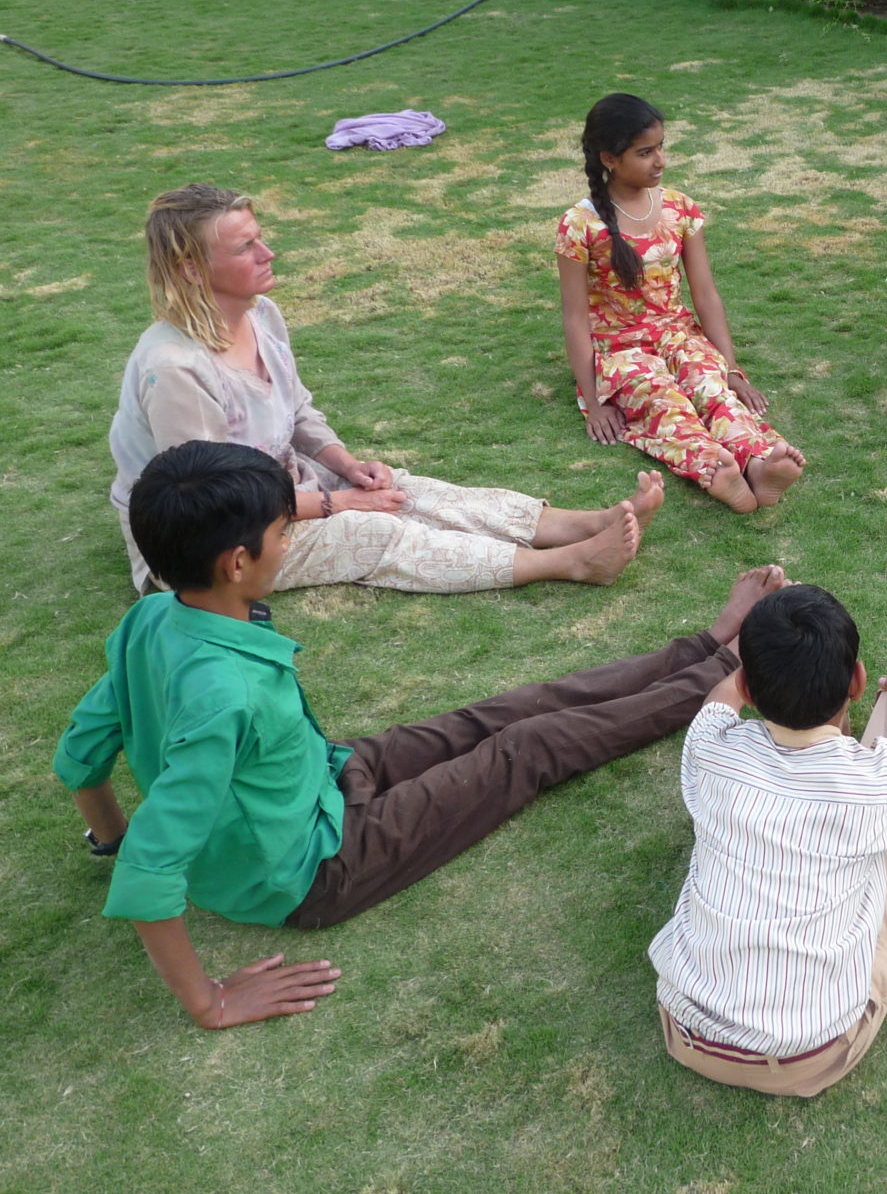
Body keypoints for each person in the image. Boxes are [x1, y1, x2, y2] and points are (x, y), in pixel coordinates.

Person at [55, 439, 787, 1029]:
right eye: (284, 532)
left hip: (328, 777)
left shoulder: (150, 618)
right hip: (320, 867)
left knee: (497, 717)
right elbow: (150, 871)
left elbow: (80, 753)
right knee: (525, 751)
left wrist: (108, 833)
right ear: (237, 562)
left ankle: (702, 649)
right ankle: (726, 670)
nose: (295, 537)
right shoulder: (222, 693)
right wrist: (209, 1000)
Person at [110, 183, 654, 596]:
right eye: (245, 247)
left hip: (274, 482)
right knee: (372, 533)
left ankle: (587, 524)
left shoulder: (262, 315)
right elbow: (213, 503)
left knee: (407, 490)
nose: (268, 253)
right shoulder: (175, 370)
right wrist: (335, 503)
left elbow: (296, 410)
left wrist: (346, 466)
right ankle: (571, 562)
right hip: (209, 545)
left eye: (260, 238)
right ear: (189, 268)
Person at [650, 584, 887, 1097]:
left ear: (744, 684)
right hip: (809, 1056)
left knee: (878, 808)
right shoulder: (871, 790)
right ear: (856, 681)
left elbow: (715, 704)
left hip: (684, 1030)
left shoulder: (714, 750)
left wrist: (757, 646)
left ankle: (880, 712)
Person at [559, 93, 806, 514]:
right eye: (645, 152)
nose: (660, 161)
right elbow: (575, 318)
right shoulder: (580, 224)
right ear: (609, 158)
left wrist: (731, 368)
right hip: (621, 352)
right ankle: (718, 469)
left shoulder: (679, 208)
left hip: (680, 337)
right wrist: (595, 400)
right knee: (665, 404)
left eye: (660, 148)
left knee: (713, 391)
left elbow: (705, 292)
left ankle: (760, 463)